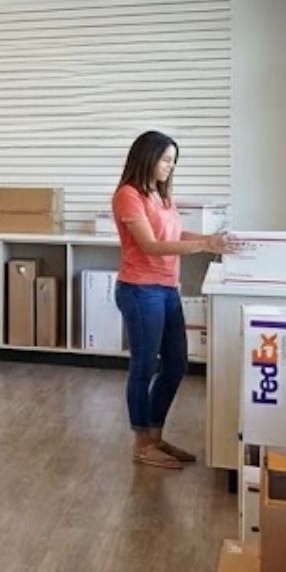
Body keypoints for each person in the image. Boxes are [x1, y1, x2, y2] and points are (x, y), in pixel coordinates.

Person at [113, 130, 232, 469]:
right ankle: (141, 443)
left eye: (173, 161)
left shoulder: (161, 196)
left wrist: (210, 239)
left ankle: (155, 434)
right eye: (165, 159)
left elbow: (174, 235)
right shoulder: (128, 195)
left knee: (177, 363)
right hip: (139, 290)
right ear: (147, 157)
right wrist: (205, 246)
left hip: (166, 289)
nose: (170, 166)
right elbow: (151, 245)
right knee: (144, 366)